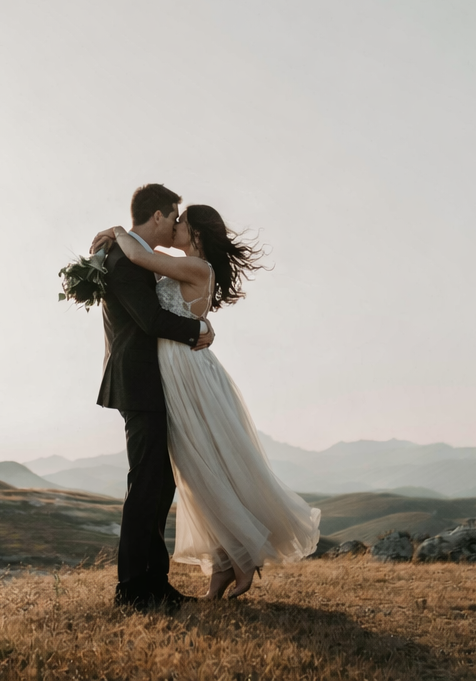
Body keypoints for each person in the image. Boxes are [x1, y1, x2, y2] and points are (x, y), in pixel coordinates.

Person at [91, 201, 320, 601]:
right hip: (174, 369)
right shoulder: (180, 264)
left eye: (182, 222)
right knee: (197, 470)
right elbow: (144, 266)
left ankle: (240, 555)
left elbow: (141, 256)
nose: (175, 225)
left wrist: (117, 231)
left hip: (187, 371)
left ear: (195, 234)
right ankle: (224, 562)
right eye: (174, 218)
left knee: (204, 464)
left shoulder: (198, 268)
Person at [95, 183, 212, 610]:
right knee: (145, 484)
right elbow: (147, 319)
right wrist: (197, 332)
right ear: (158, 216)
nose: (176, 225)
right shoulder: (125, 259)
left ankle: (155, 581)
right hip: (138, 382)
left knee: (159, 484)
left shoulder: (132, 254)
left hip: (152, 381)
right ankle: (131, 588)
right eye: (174, 217)